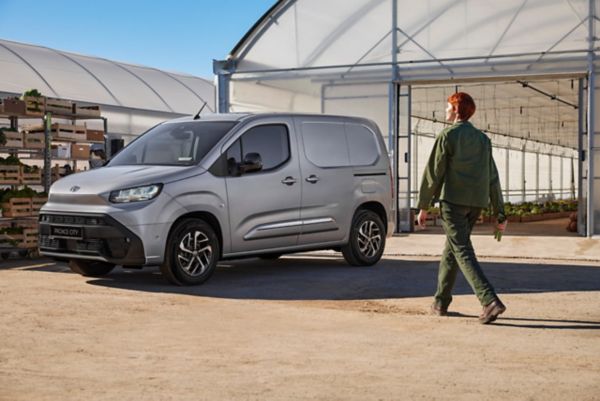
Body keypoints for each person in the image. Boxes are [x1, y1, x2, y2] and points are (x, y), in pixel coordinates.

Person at [417, 92, 507, 324]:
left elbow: (433, 172)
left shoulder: (448, 135)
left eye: (448, 106)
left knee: (462, 250)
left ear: (456, 110)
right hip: (475, 203)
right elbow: (492, 177)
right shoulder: (482, 140)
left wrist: (424, 205)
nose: (445, 110)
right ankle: (441, 302)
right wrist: (500, 211)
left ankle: (489, 301)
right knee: (453, 249)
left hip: (453, 202)